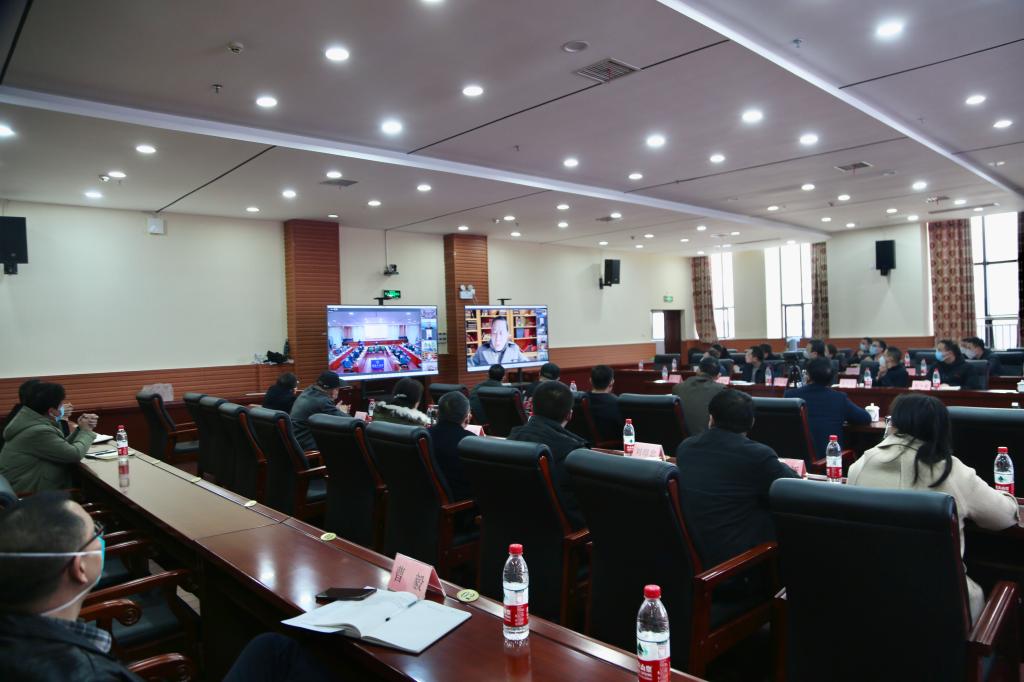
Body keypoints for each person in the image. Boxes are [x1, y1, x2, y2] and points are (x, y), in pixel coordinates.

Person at [0, 492, 333, 681]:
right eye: (96, 532)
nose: (101, 538)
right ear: (80, 567)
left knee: (271, 647)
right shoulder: (87, 674)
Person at [848, 393, 1018, 623]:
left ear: (894, 423)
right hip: (943, 608)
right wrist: (1008, 496)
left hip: (873, 599)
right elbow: (1003, 517)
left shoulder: (861, 464)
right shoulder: (949, 469)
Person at [675, 390, 800, 589]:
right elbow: (794, 490)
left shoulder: (686, 448)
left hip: (690, 564)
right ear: (752, 422)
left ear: (711, 418)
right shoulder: (758, 455)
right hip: (735, 571)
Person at [508, 381, 587, 530]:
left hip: (514, 524)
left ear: (532, 409)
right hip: (562, 531)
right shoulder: (573, 453)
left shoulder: (511, 439)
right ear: (569, 415)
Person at [0, 383, 98, 493]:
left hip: (28, 488)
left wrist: (79, 429)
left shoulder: (29, 421)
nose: (63, 407)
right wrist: (86, 431)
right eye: (61, 404)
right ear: (51, 411)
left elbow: (61, 447)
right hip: (30, 496)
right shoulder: (38, 431)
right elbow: (74, 455)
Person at [785, 358, 871, 459]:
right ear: (832, 376)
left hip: (794, 460)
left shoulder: (790, 395)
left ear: (808, 375)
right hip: (828, 461)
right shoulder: (839, 398)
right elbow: (865, 418)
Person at [427, 392, 474, 501]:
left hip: (428, 500)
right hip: (461, 505)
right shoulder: (470, 442)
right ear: (467, 417)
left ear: (437, 413)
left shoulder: (424, 436)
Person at [290, 371, 348, 450]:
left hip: (297, 440)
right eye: (337, 389)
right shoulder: (323, 401)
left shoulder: (308, 391)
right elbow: (348, 421)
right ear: (334, 390)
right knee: (346, 442)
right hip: (306, 445)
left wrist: (334, 409)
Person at [672, 356, 725, 437]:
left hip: (680, 439)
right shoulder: (721, 390)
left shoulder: (677, 388)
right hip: (707, 440)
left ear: (698, 370)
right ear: (718, 375)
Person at [586, 365, 624, 442]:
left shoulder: (581, 399)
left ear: (590, 380)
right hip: (613, 444)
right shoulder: (617, 402)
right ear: (612, 382)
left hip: (585, 443)